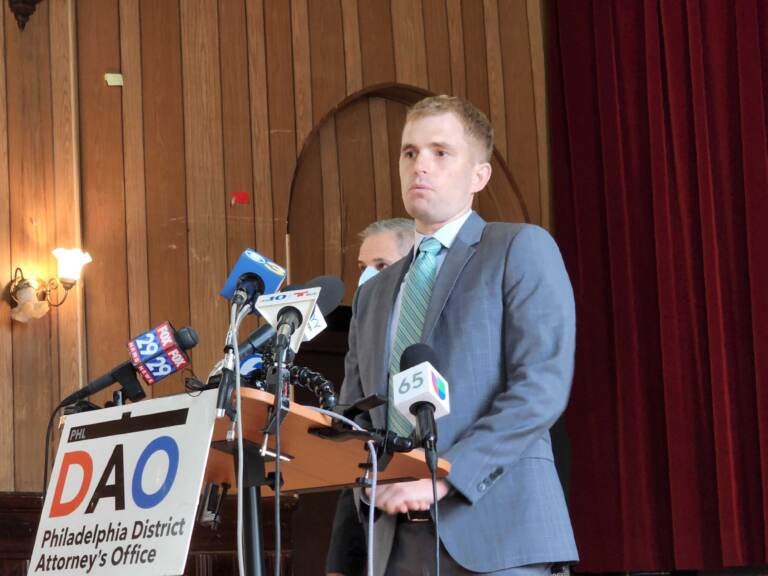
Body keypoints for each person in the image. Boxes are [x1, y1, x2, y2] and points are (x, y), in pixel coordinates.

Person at [330, 95, 578, 575]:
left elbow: (540, 390)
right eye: (410, 152)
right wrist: (367, 481)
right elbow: (353, 411)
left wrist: (444, 477)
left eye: (441, 152)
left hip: (499, 536)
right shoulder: (374, 293)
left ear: (479, 176)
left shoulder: (519, 249)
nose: (420, 165)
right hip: (395, 540)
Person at [327, 218, 415, 576]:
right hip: (378, 512)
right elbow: (351, 423)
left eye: (381, 266)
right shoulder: (362, 327)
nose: (368, 278)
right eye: (363, 268)